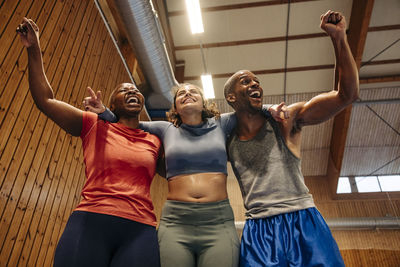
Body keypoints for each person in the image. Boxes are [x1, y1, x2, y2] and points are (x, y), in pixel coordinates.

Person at [84, 83, 284, 267]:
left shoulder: (221, 123)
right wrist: (105, 112)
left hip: (217, 221)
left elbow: (248, 111)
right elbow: (130, 124)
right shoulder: (165, 129)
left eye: (193, 91)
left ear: (203, 102)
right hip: (176, 222)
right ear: (175, 107)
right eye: (181, 94)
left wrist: (268, 109)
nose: (187, 94)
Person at [17, 18, 162, 267]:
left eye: (136, 91)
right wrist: (33, 48)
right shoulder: (94, 125)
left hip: (140, 230)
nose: (132, 92)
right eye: (124, 90)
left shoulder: (155, 139)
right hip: (91, 221)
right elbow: (46, 101)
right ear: (112, 104)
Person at [223, 10, 359, 267]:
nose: (255, 84)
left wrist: (339, 38)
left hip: (303, 220)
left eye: (257, 81)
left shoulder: (287, 119)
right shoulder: (225, 136)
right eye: (245, 81)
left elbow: (346, 95)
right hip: (259, 231)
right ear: (231, 97)